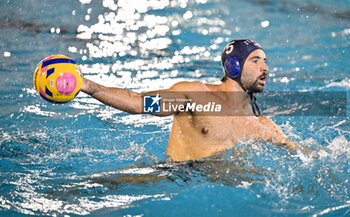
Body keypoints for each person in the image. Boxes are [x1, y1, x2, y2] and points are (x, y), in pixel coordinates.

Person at [80, 39, 302, 161]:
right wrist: (88, 86)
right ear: (233, 66)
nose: (265, 68)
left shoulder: (262, 125)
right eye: (255, 61)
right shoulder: (196, 96)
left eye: (265, 61)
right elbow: (138, 102)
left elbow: (302, 153)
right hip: (176, 179)